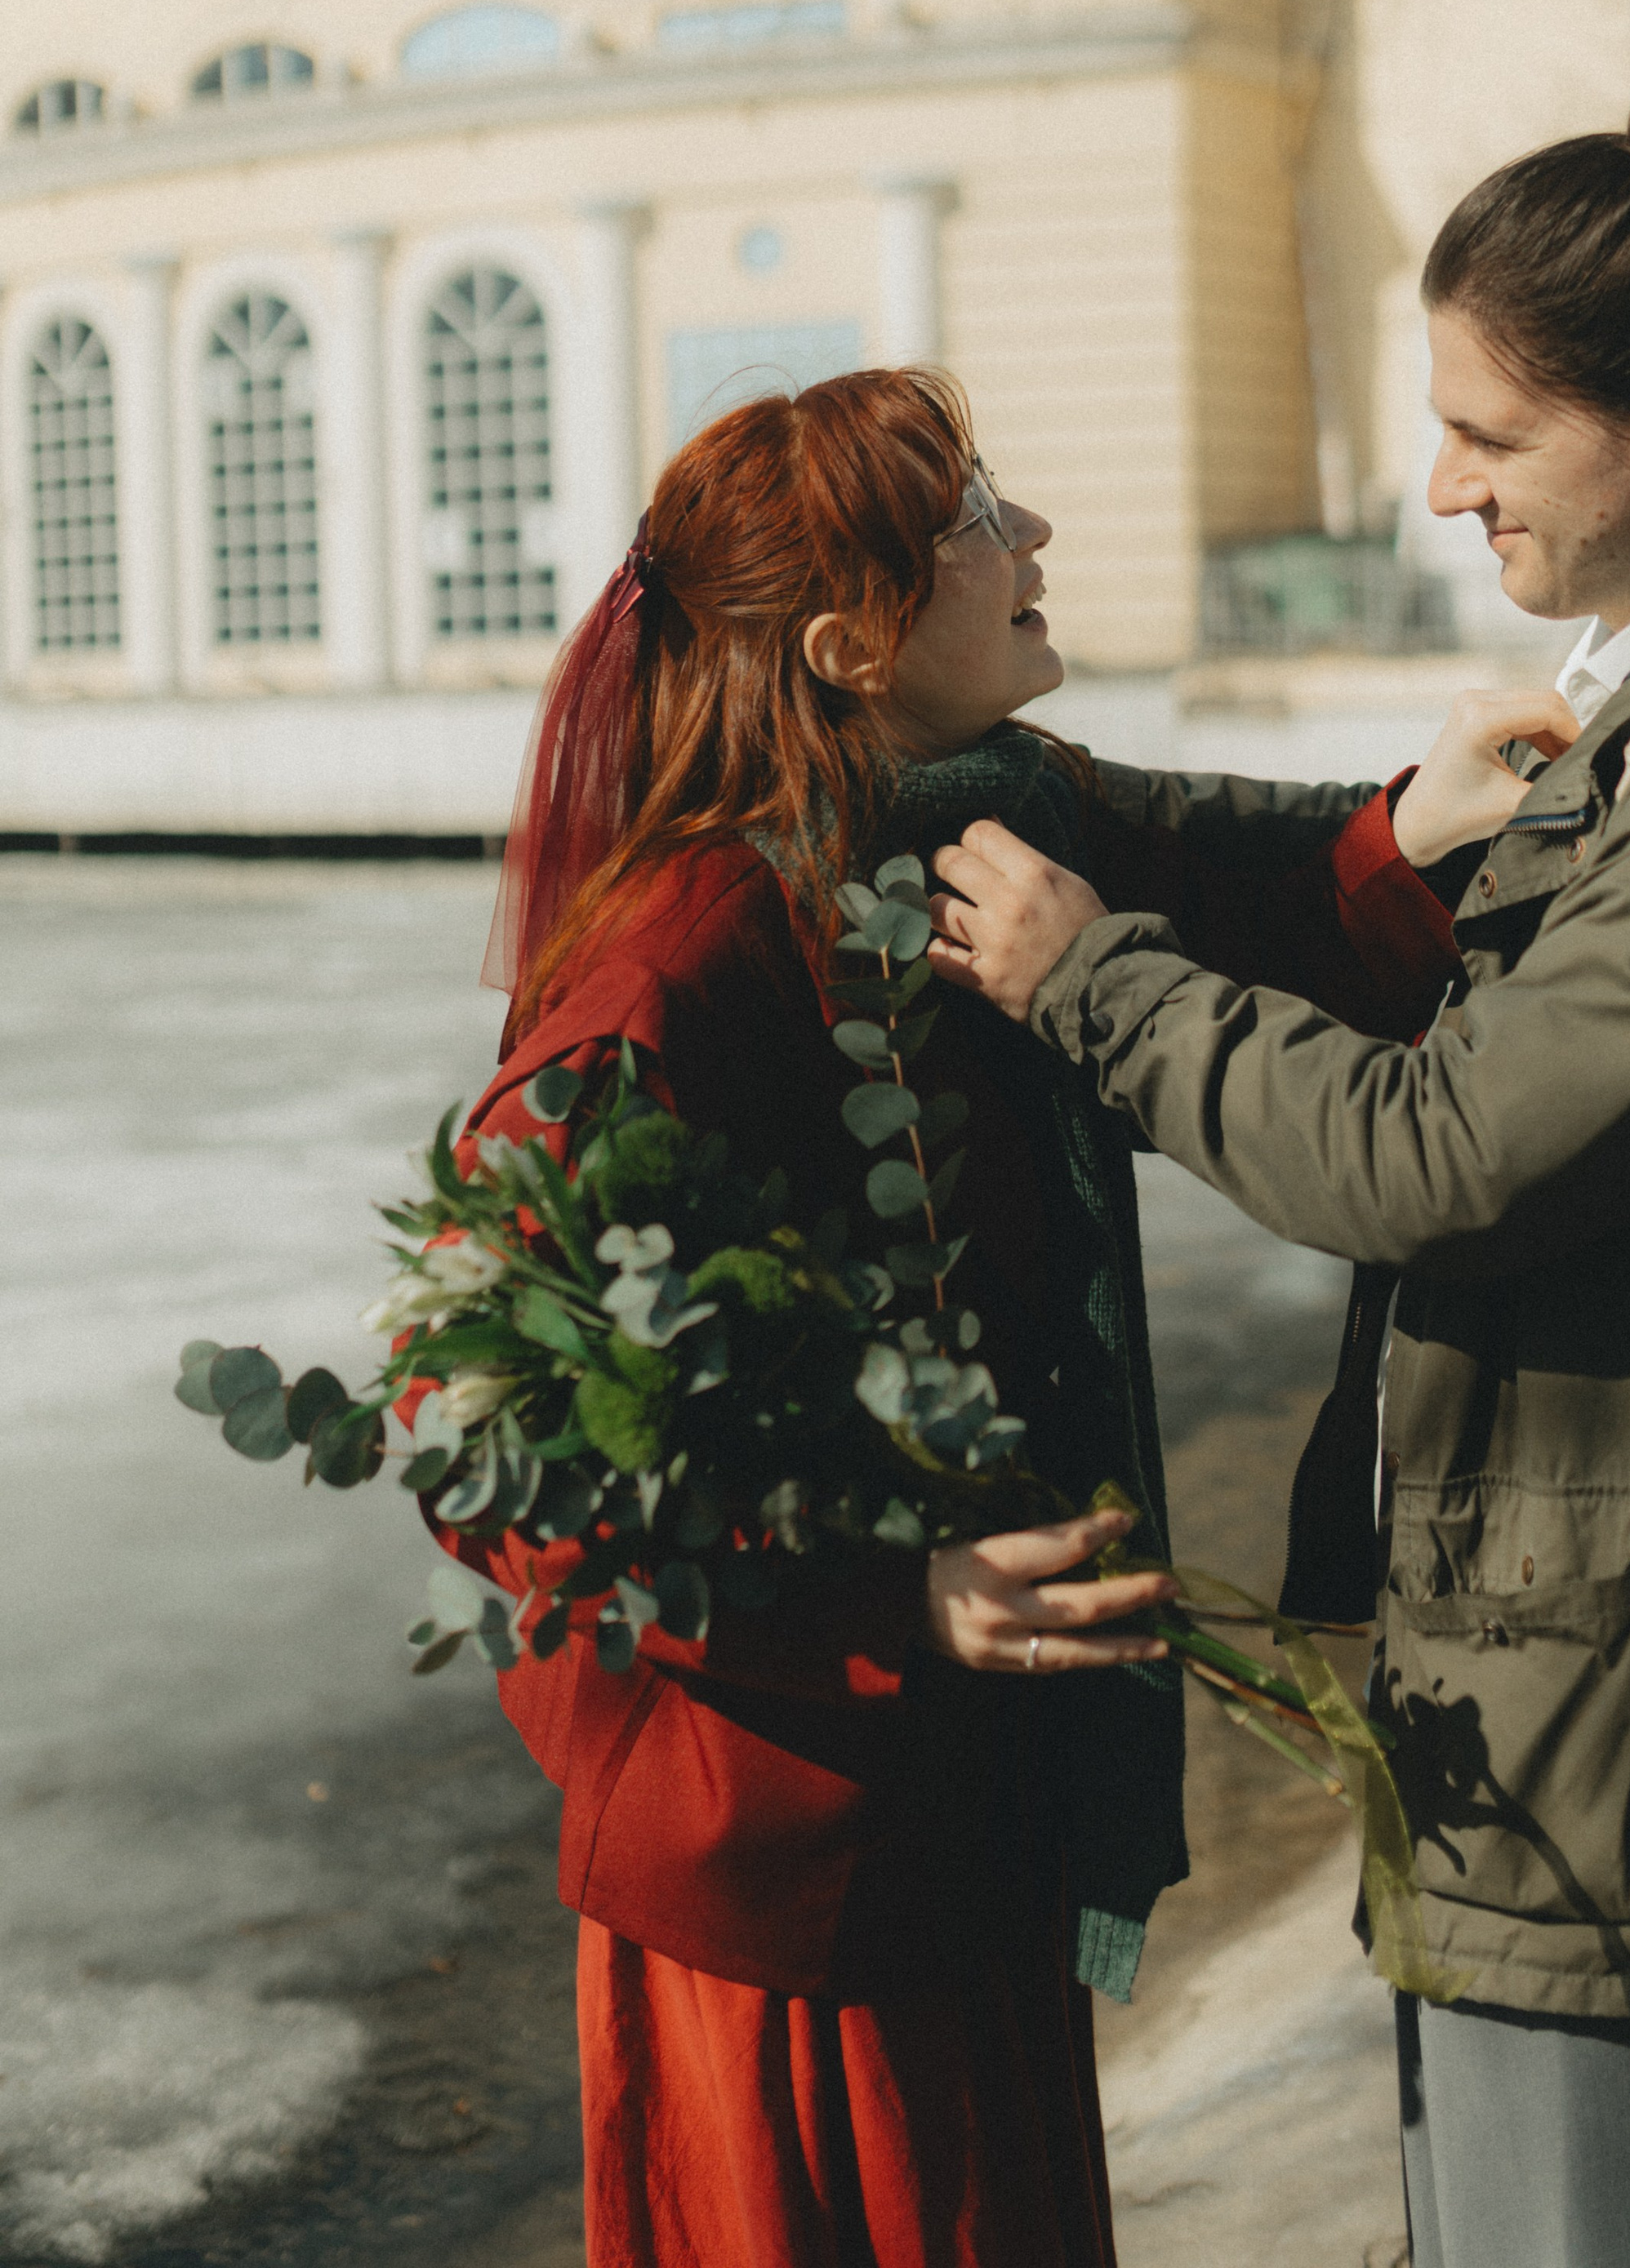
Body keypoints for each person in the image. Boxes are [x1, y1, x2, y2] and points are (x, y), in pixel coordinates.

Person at [926, 72, 1630, 2268]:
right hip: (1580, 1695)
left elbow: (1445, 1154)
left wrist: (1098, 984)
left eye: (1490, 438)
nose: (1441, 492)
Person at [441, 364, 1461, 2268]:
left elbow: (1205, 873)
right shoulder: (684, 961)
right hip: (792, 1867)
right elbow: (488, 1435)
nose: (1035, 539)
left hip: (958, 1799)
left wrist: (1424, 825)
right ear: (848, 640)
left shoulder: (959, 835)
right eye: (978, 515)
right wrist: (881, 1597)